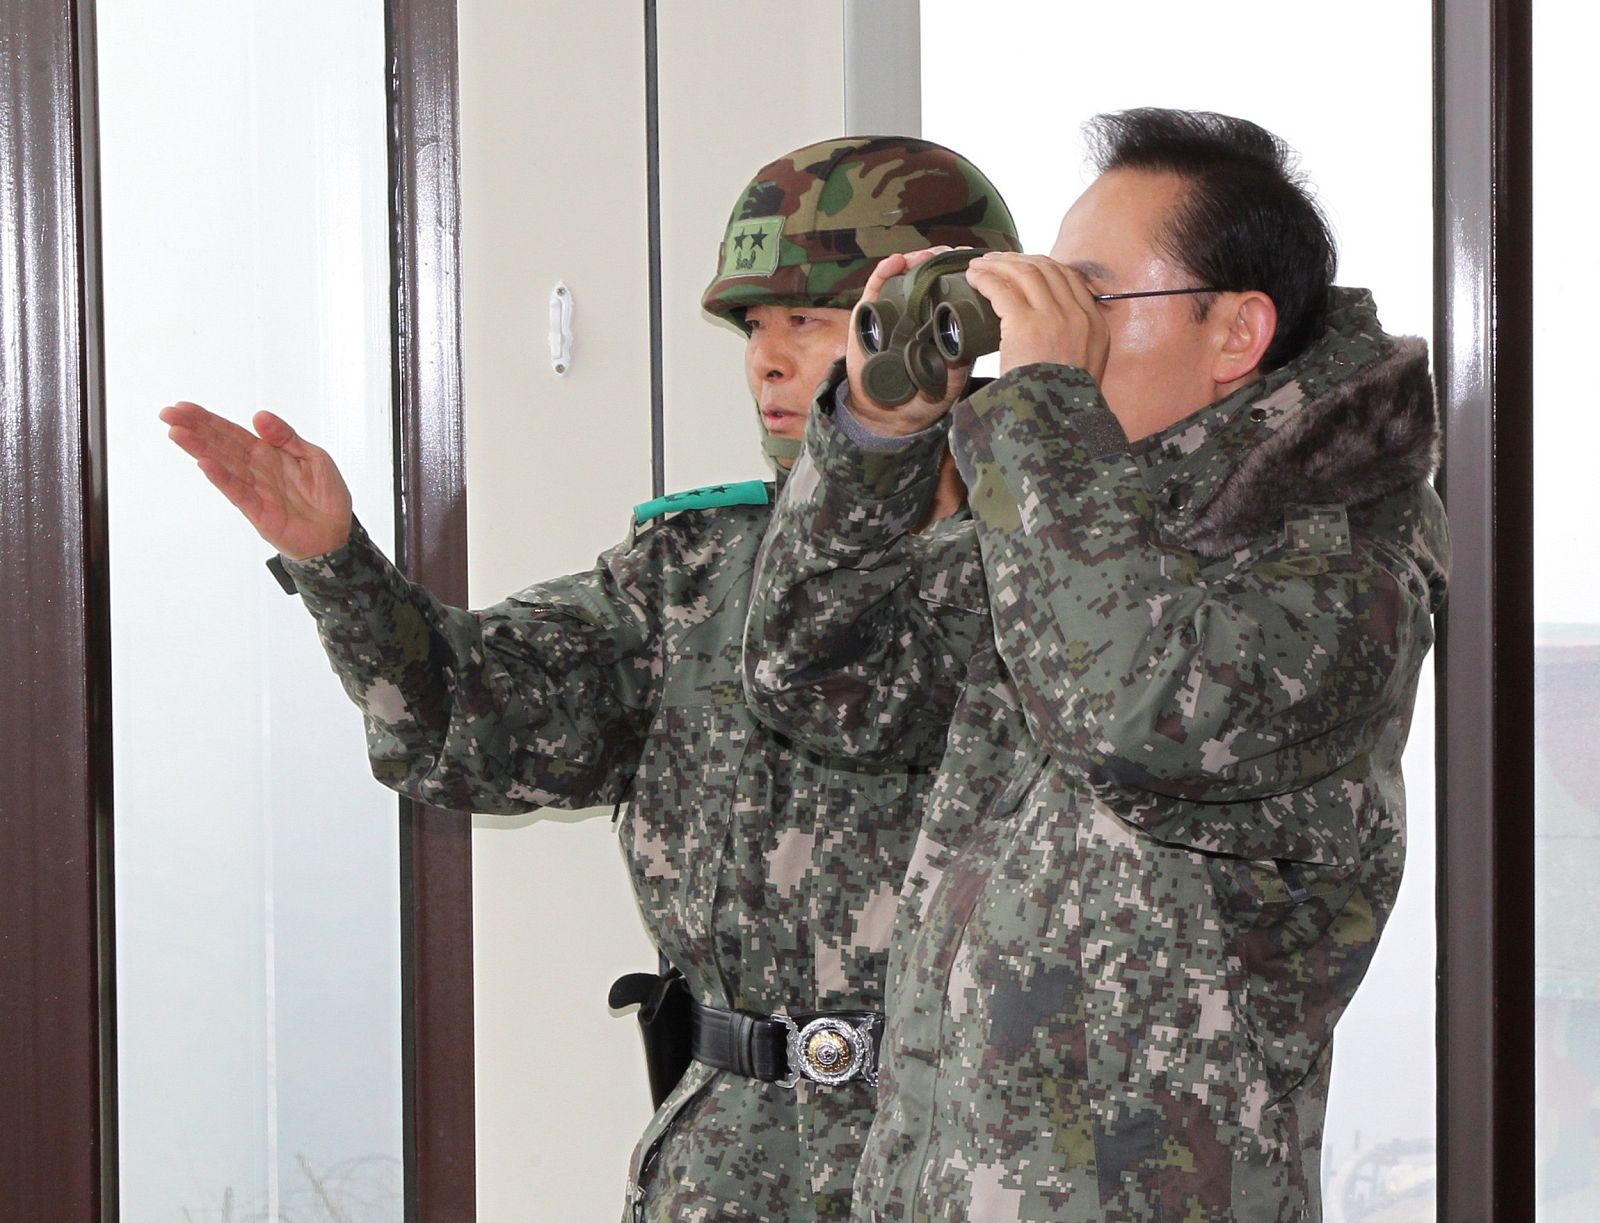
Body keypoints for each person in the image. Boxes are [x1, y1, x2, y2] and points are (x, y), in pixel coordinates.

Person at [158, 136, 1019, 1221]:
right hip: (730, 1170)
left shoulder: (1050, 573)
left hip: (966, 1157)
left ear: (950, 322)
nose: (765, 358)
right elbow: (472, 721)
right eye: (754, 326)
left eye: (808, 320)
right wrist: (341, 567)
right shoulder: (694, 569)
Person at [743, 109, 1449, 1220]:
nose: (1053, 330)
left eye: (1091, 297)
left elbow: (1127, 709)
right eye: (1047, 295)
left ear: (1236, 332)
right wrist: (878, 434)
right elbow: (815, 675)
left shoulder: (1336, 570)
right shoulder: (1071, 524)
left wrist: (1036, 407)